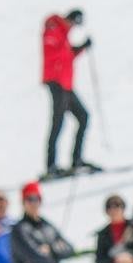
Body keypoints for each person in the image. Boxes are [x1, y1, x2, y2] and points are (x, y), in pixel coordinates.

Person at [41, 10, 93, 179]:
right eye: (74, 23)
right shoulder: (54, 27)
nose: (73, 27)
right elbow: (55, 52)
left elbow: (66, 56)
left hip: (66, 84)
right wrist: (76, 48)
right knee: (58, 122)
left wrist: (80, 48)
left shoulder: (63, 34)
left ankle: (76, 159)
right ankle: (51, 166)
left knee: (83, 116)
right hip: (56, 82)